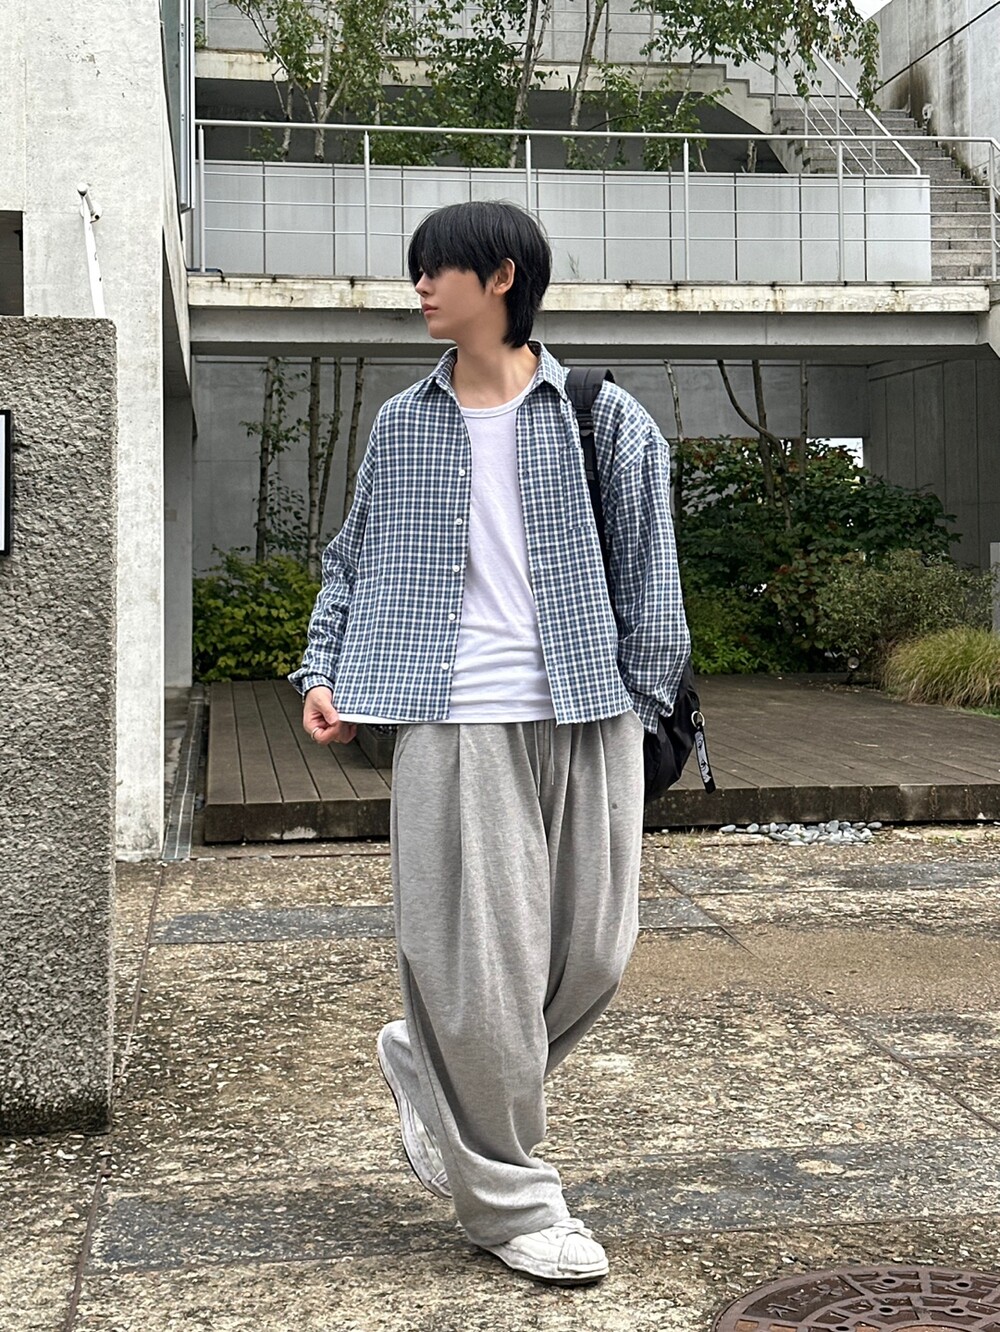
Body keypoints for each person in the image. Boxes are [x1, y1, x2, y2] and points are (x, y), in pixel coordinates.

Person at [290, 199, 689, 1285]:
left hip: (588, 710)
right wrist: (324, 668)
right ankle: (513, 1202)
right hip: (452, 715)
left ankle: (431, 1066)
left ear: (501, 277)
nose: (419, 287)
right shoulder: (402, 424)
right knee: (482, 969)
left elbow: (652, 574)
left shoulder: (604, 417)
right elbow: (352, 557)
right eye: (416, 271)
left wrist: (643, 704)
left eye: (437, 270)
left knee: (594, 955)